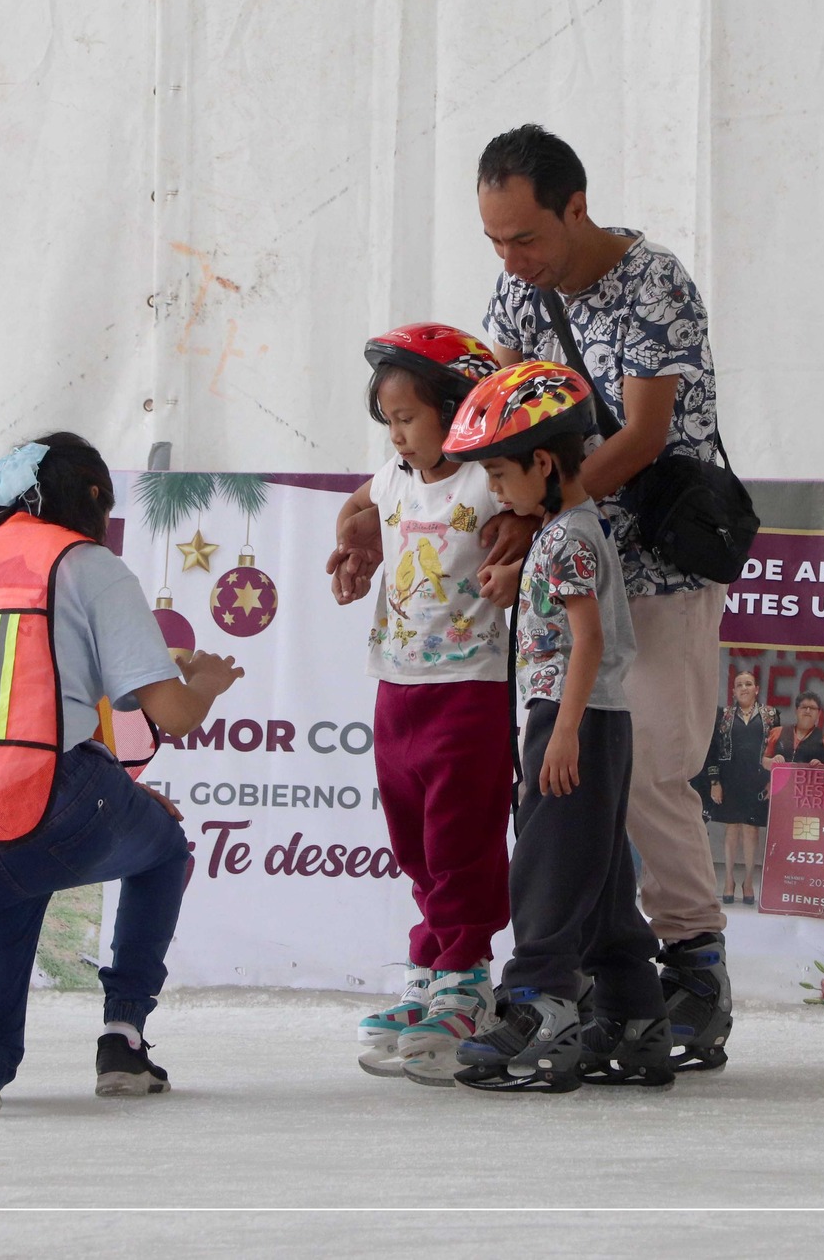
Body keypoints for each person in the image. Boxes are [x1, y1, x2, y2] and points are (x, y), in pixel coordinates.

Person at [476, 124, 734, 1072]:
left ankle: (695, 971)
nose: (512, 261)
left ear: (575, 208)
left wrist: (546, 505)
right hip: (572, 554)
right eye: (496, 241)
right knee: (571, 778)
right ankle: (602, 982)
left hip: (659, 558)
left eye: (527, 238)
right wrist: (502, 509)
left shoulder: (652, 281)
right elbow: (499, 414)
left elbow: (643, 435)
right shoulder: (515, 285)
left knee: (654, 772)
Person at [0, 433, 244, 1115]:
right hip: (51, 803)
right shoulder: (82, 562)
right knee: (162, 850)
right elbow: (171, 713)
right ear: (89, 496)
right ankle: (123, 1036)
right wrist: (207, 681)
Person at [440, 361, 672, 1092]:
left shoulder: (567, 537)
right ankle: (634, 1014)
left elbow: (589, 639)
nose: (496, 492)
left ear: (544, 462)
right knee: (597, 871)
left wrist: (564, 729)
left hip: (571, 717)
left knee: (545, 862)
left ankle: (540, 1006)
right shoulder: (569, 529)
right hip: (594, 719)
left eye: (501, 475)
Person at [328, 322, 509, 1085]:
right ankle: (431, 968)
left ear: (456, 406)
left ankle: (467, 976)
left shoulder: (485, 479)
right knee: (415, 842)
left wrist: (515, 547)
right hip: (396, 688)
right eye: (389, 420)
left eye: (408, 418)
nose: (397, 435)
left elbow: (527, 517)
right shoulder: (395, 477)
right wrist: (355, 546)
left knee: (460, 837)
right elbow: (362, 502)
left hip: (470, 689)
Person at [704, 671, 778, 907]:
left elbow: (777, 749)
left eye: (748, 684)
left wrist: (771, 780)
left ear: (756, 689)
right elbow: (712, 750)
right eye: (739, 685)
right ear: (733, 691)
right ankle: (727, 881)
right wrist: (715, 782)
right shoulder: (724, 715)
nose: (744, 688)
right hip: (730, 778)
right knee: (731, 829)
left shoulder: (771, 715)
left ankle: (747, 881)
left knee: (751, 830)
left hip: (757, 779)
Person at [769, 691, 824, 766]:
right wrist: (772, 761)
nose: (808, 711)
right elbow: (762, 760)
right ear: (796, 710)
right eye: (804, 707)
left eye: (812, 708)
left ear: (819, 713)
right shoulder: (777, 732)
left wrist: (822, 767)